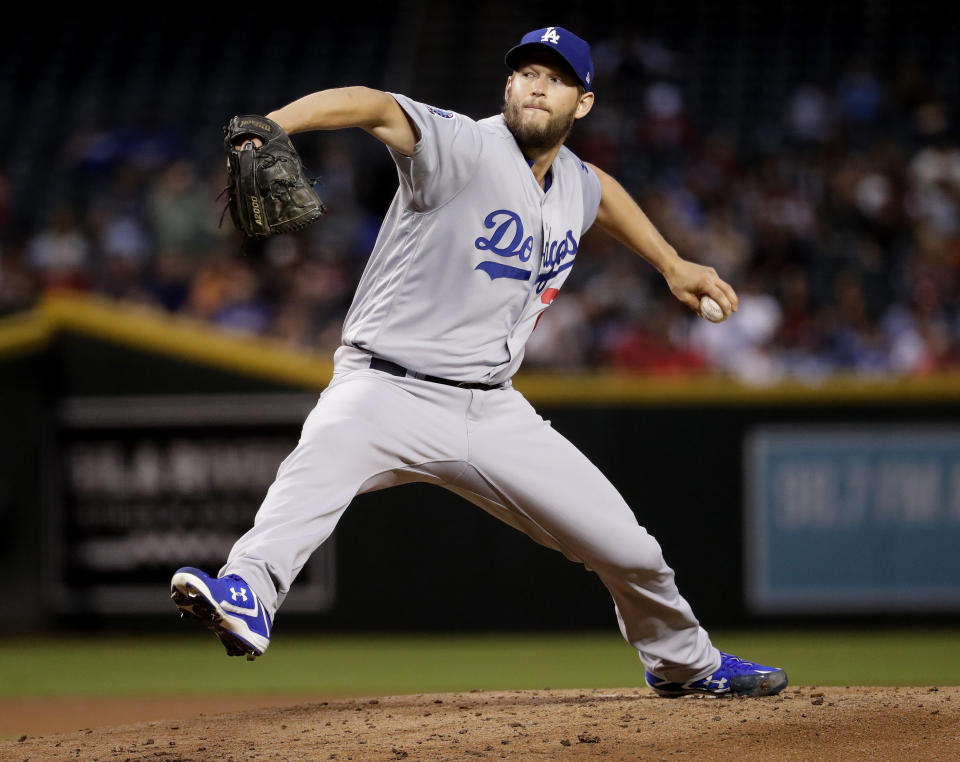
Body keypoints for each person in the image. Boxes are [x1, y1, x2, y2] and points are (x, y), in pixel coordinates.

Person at [171, 26, 788, 698]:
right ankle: (246, 593)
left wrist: (672, 263)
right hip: (383, 388)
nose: (535, 84)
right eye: (525, 72)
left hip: (493, 408)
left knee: (633, 551)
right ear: (507, 86)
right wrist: (274, 125)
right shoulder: (462, 145)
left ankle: (684, 664)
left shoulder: (574, 183)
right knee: (313, 473)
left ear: (581, 104)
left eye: (554, 78)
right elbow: (373, 105)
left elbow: (599, 191)